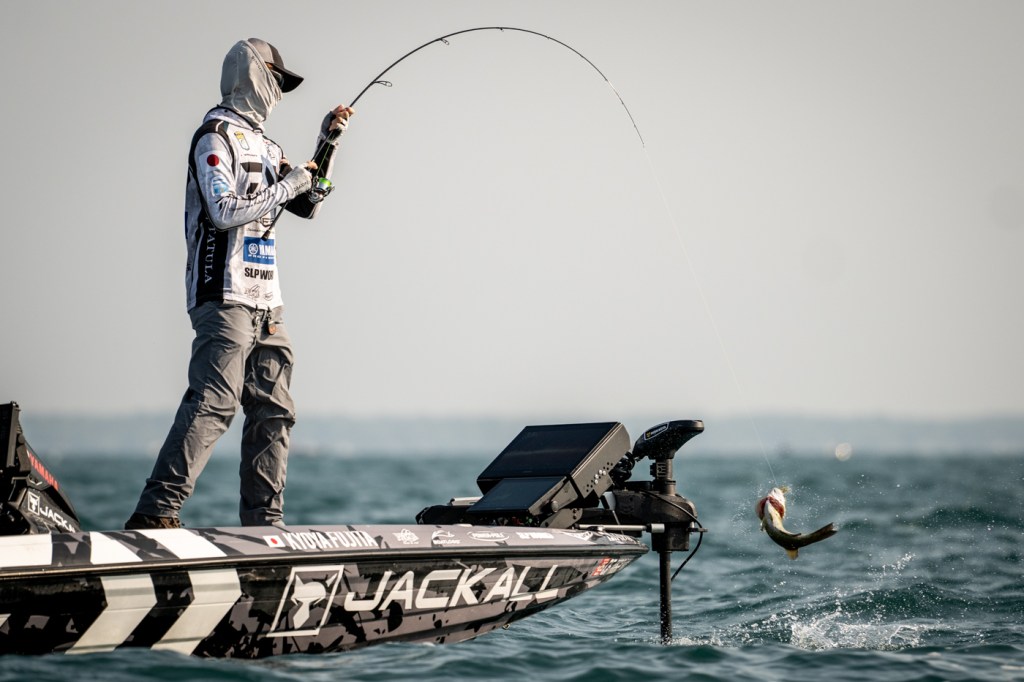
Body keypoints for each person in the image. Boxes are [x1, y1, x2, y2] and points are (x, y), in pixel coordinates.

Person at [126, 38, 353, 529]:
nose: (279, 92)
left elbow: (309, 203)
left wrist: (327, 143)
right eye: (277, 80)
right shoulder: (214, 136)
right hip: (222, 292)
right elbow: (223, 210)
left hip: (267, 300)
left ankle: (264, 526)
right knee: (215, 401)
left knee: (274, 409)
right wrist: (289, 184)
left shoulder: (269, 147)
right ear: (254, 74)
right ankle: (155, 514)